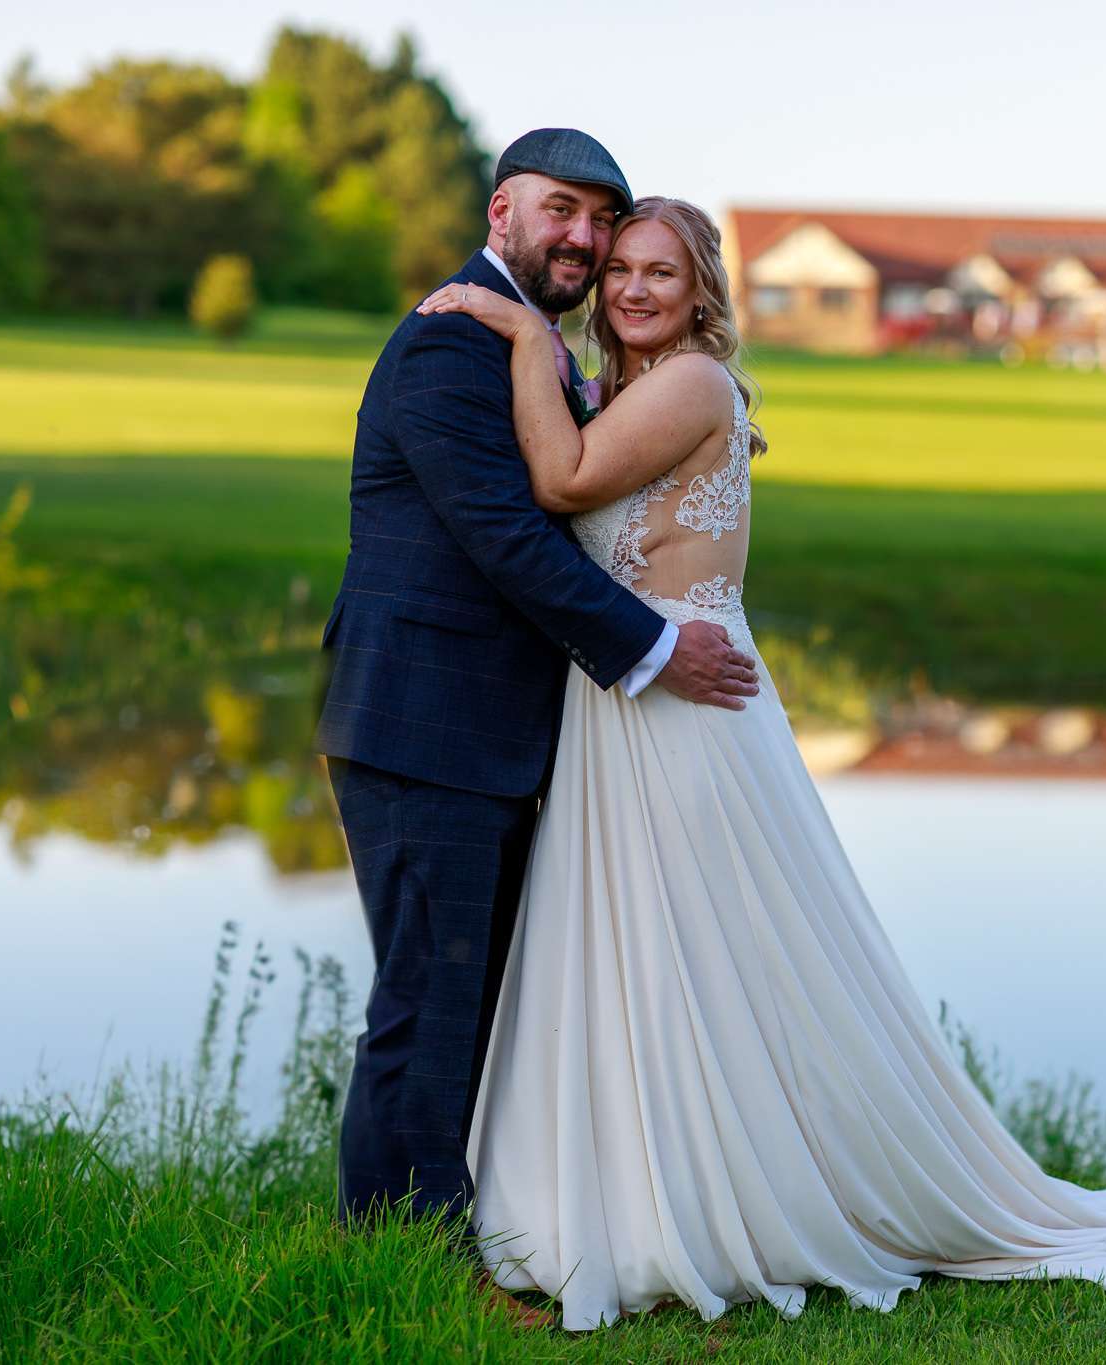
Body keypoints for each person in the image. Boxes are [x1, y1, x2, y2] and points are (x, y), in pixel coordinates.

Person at [416, 195, 1106, 1332]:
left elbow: (564, 483)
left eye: (660, 274)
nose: (630, 289)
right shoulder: (631, 387)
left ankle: (728, 1200)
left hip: (683, 712)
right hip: (626, 700)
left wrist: (522, 332)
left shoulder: (688, 385)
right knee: (644, 956)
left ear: (699, 293)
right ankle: (634, 1185)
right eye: (618, 268)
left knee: (704, 960)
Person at [312, 128, 761, 1276]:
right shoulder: (455, 338)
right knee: (426, 1001)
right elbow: (513, 532)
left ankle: (493, 1230)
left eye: (599, 223)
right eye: (560, 211)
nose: (582, 239)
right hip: (428, 727)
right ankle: (399, 1261)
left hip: (499, 734)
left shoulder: (539, 346)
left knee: (470, 1003)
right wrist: (656, 648)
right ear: (503, 208)